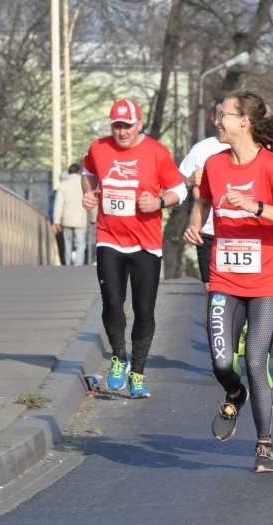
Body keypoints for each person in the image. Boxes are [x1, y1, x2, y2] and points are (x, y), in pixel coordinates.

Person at [183, 89, 273, 473]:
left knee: (255, 360)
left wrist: (256, 207)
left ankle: (264, 444)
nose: (217, 120)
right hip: (225, 277)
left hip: (268, 279)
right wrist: (194, 224)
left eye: (224, 114)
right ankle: (235, 395)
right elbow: (203, 199)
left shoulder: (271, 167)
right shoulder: (214, 164)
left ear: (244, 122)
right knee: (222, 362)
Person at [81, 98, 188, 398]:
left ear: (139, 124)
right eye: (117, 125)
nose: (122, 132)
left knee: (144, 310)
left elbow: (179, 189)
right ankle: (119, 358)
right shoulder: (99, 148)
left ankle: (138, 373)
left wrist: (159, 202)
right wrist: (89, 193)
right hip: (109, 238)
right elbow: (87, 172)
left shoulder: (157, 152)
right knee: (112, 303)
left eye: (127, 125)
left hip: (146, 244)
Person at [179, 101, 228, 297]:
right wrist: (190, 180)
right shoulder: (201, 149)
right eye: (218, 115)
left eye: (225, 115)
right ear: (213, 118)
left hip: (240, 231)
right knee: (214, 295)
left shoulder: (253, 149)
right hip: (208, 230)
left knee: (239, 294)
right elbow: (177, 183)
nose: (220, 121)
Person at [52, 163, 88, 266]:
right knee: (80, 244)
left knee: (67, 244)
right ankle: (78, 264)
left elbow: (58, 204)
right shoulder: (85, 185)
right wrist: (94, 218)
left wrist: (56, 221)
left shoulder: (63, 185)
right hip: (80, 219)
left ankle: (68, 265)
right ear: (79, 172)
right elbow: (91, 200)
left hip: (66, 219)